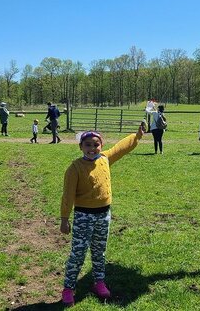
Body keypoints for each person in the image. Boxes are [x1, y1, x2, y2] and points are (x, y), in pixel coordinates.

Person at [60, 126, 144, 306]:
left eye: (96, 145)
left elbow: (121, 148)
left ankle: (99, 282)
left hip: (103, 216)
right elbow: (67, 195)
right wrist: (64, 219)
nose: (92, 148)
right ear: (80, 147)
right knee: (78, 254)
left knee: (99, 252)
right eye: (88, 145)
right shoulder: (75, 168)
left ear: (101, 145)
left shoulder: (105, 159)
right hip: (83, 217)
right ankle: (68, 288)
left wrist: (136, 136)